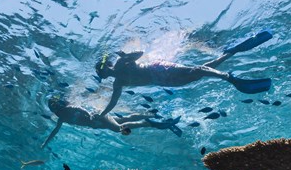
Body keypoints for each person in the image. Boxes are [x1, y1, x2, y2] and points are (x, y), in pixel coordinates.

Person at [95, 30, 274, 116]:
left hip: (158, 68)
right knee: (201, 71)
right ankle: (232, 51)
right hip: (164, 82)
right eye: (100, 73)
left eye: (100, 70)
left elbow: (140, 54)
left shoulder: (121, 62)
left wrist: (126, 56)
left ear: (106, 65)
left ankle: (228, 77)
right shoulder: (117, 83)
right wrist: (102, 114)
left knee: (197, 70)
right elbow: (113, 102)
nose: (101, 74)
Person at [41, 94, 180, 148]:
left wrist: (89, 115)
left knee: (118, 128)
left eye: (54, 105)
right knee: (125, 119)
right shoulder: (61, 117)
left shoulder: (67, 110)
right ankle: (153, 116)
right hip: (97, 123)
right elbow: (55, 131)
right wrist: (46, 142)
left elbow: (79, 108)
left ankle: (153, 123)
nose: (54, 108)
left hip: (98, 117)